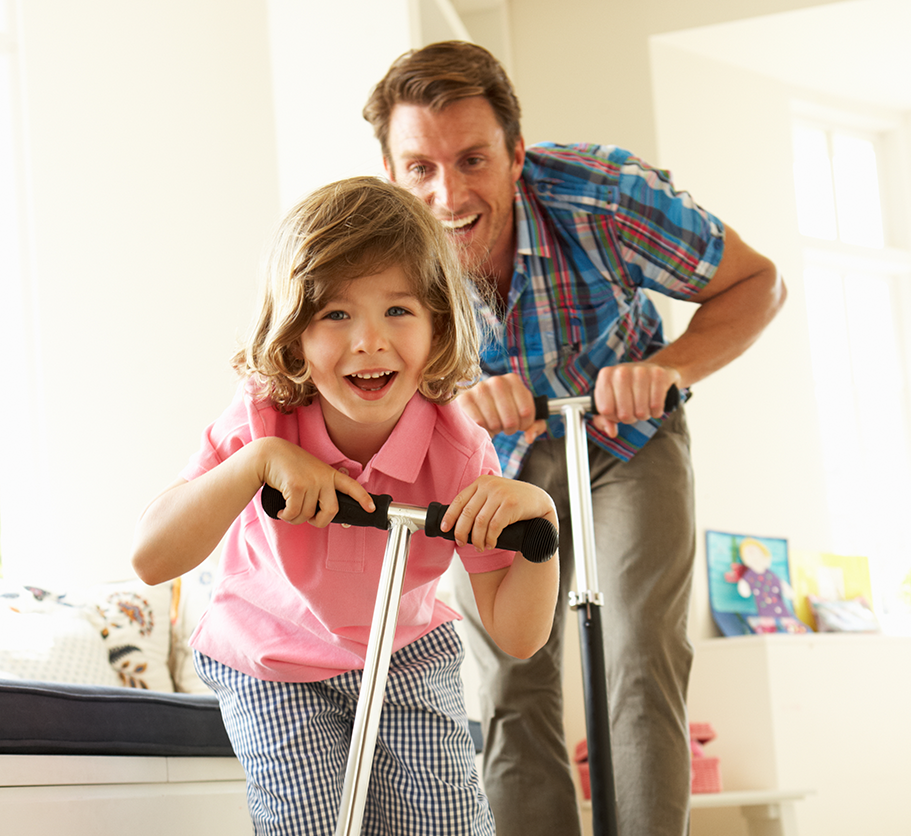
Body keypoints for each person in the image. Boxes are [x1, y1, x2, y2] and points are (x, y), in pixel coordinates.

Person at [362, 40, 786, 836]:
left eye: (472, 160)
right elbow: (361, 383)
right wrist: (452, 398)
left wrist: (663, 368)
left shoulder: (604, 197)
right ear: (391, 171)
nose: (447, 193)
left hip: (627, 439)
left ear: (517, 154)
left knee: (637, 653)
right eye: (419, 167)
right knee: (510, 671)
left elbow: (758, 283)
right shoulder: (382, 249)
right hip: (488, 460)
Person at [131, 176, 559, 836]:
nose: (368, 341)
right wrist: (254, 464)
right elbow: (152, 557)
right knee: (312, 825)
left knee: (446, 823)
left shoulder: (458, 449)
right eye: (335, 314)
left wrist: (542, 523)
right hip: (271, 659)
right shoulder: (260, 419)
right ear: (295, 333)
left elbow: (518, 634)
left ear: (437, 324)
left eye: (397, 311)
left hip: (406, 654)